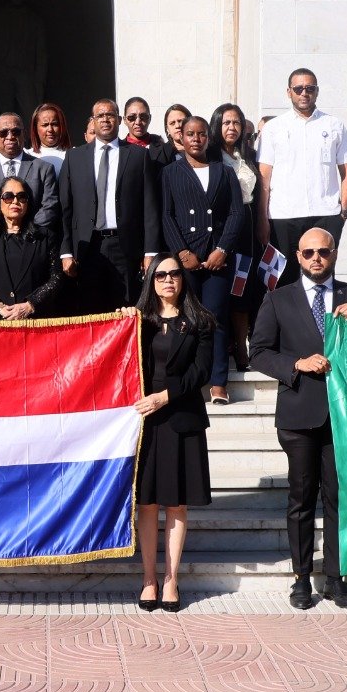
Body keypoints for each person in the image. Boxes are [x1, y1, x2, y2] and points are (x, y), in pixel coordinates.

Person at [250, 228, 347, 611]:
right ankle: (301, 579)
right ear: (297, 256)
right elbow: (259, 353)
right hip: (299, 413)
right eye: (308, 253)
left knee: (338, 498)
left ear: (334, 253)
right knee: (301, 499)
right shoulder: (278, 299)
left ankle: (335, 579)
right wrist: (296, 365)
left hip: (343, 416)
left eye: (323, 251)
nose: (316, 258)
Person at [134, 255, 215, 613]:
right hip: (146, 423)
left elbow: (201, 373)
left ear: (183, 279)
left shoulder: (200, 322)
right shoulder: (139, 322)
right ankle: (149, 579)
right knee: (147, 504)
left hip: (181, 417)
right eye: (161, 274)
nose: (168, 280)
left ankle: (171, 580)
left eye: (174, 274)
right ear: (151, 280)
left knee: (176, 504)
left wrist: (164, 396)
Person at [160, 117, 246, 405]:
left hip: (216, 259)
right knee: (186, 319)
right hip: (187, 259)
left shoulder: (224, 172)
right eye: (190, 134)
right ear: (181, 138)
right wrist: (182, 252)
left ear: (208, 138)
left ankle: (218, 382)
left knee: (216, 318)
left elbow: (236, 213)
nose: (196, 139)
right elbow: (167, 215)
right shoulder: (171, 172)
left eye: (201, 134)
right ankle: (189, 377)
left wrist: (222, 248)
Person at [58, 98, 159, 312]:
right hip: (88, 246)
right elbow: (66, 208)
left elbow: (150, 207)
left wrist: (150, 251)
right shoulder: (75, 157)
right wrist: (66, 251)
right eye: (100, 116)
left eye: (110, 115)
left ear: (119, 120)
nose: (105, 120)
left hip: (125, 246)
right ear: (93, 121)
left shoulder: (138, 156)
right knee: (91, 311)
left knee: (125, 309)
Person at [258, 68, 347, 286]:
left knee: (322, 278)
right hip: (283, 216)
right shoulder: (274, 128)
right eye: (299, 88)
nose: (304, 93)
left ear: (317, 91)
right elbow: (264, 178)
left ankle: (324, 321)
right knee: (284, 280)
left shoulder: (334, 125)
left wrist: (343, 211)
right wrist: (262, 219)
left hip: (326, 213)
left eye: (310, 88)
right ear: (289, 92)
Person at [0, 176, 65, 320]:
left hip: (34, 323)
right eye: (8, 197)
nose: (15, 201)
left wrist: (31, 304)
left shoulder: (45, 237)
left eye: (22, 197)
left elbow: (56, 277)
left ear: (28, 203)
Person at [207, 103, 260, 371]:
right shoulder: (210, 157)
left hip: (248, 228)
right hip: (222, 228)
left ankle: (241, 347)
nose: (231, 128)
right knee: (221, 292)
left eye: (236, 123)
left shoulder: (246, 155)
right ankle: (220, 351)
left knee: (244, 289)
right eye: (226, 123)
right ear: (217, 125)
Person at [0, 112, 59, 237]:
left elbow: (50, 207)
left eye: (16, 132)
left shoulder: (43, 169)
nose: (10, 136)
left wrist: (25, 233)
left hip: (31, 242)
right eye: (3, 132)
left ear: (24, 134)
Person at [28, 102, 72, 167]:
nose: (50, 129)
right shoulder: (27, 155)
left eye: (54, 124)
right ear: (35, 128)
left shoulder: (73, 155)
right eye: (45, 125)